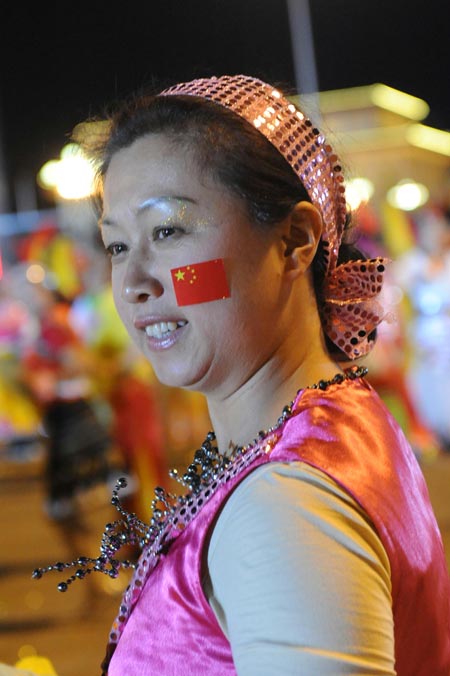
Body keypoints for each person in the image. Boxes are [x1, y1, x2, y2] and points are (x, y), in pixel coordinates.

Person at [34, 75, 450, 675]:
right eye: (118, 246)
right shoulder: (333, 423)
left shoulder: (290, 507)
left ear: (294, 240)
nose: (133, 284)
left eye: (169, 232)